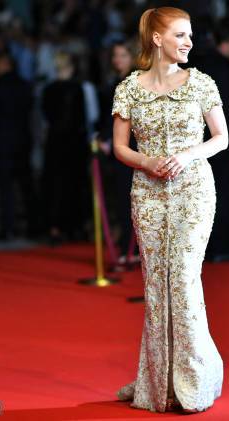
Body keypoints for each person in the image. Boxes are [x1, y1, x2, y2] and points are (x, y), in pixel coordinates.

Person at [112, 7, 226, 413]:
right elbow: (121, 148)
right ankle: (158, 381)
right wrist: (146, 162)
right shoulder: (128, 88)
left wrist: (187, 155)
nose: (188, 42)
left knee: (182, 278)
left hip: (193, 190)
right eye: (180, 34)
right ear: (157, 39)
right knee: (156, 287)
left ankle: (195, 381)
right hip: (147, 193)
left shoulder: (201, 84)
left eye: (190, 35)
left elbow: (221, 138)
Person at [193, 26, 229, 262]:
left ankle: (210, 247)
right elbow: (228, 112)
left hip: (201, 142)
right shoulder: (222, 69)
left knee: (206, 196)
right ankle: (222, 247)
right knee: (223, 194)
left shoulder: (202, 65)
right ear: (223, 43)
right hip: (220, 142)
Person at [0, 53, 39, 240]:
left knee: (6, 188)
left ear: (6, 64)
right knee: (26, 185)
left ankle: (9, 227)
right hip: (22, 140)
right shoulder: (24, 85)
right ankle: (33, 225)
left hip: (3, 142)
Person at [41, 52, 90, 244]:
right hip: (73, 142)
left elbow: (47, 116)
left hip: (56, 142)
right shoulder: (77, 89)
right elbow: (82, 117)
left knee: (55, 185)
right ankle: (74, 226)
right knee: (73, 184)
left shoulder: (49, 89)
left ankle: (55, 226)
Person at [98, 40, 138, 264]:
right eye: (115, 55)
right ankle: (127, 247)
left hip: (131, 147)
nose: (117, 60)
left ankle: (133, 248)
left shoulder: (134, 82)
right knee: (122, 199)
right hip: (117, 146)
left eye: (122, 55)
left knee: (132, 199)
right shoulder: (115, 82)